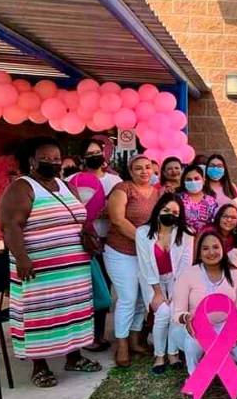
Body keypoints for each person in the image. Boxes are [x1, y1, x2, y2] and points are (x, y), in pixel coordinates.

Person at [0, 137, 101, 387]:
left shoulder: (66, 186)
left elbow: (79, 217)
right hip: (37, 270)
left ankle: (74, 356)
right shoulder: (22, 187)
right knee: (40, 315)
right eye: (45, 158)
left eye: (56, 158)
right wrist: (22, 259)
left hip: (73, 271)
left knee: (71, 312)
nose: (52, 162)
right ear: (31, 160)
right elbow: (10, 225)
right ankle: (39, 365)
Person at [173, 230, 237, 374]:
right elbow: (177, 313)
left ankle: (217, 359)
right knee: (193, 342)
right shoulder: (187, 275)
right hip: (196, 329)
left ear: (223, 250)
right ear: (199, 253)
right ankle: (194, 374)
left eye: (215, 247)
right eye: (205, 248)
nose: (211, 252)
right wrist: (187, 318)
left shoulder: (236, 275)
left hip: (227, 327)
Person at [106, 154, 162, 367]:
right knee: (128, 297)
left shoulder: (158, 193)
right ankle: (121, 344)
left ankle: (135, 339)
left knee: (142, 298)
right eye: (138, 168)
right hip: (120, 252)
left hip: (145, 254)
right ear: (130, 172)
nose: (144, 172)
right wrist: (144, 240)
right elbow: (118, 220)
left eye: (148, 167)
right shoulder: (123, 189)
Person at [68, 138, 122, 352]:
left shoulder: (114, 181)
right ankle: (80, 336)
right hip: (80, 243)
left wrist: (109, 211)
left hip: (107, 243)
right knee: (81, 291)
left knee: (102, 291)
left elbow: (121, 209)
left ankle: (96, 336)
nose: (94, 157)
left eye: (97, 152)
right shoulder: (71, 180)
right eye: (89, 154)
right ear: (82, 158)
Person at [135, 193, 193, 374]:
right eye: (166, 210)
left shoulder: (186, 233)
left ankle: (173, 353)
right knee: (162, 312)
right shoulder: (143, 233)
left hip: (177, 281)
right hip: (153, 281)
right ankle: (159, 355)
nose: (170, 214)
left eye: (175, 212)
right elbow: (145, 265)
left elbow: (185, 266)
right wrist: (159, 293)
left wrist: (175, 293)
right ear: (158, 209)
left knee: (175, 311)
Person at [177, 165, 218, 234]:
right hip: (182, 238)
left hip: (204, 240)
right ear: (184, 182)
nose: (193, 182)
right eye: (189, 180)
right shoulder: (178, 199)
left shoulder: (211, 202)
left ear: (203, 180)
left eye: (196, 178)